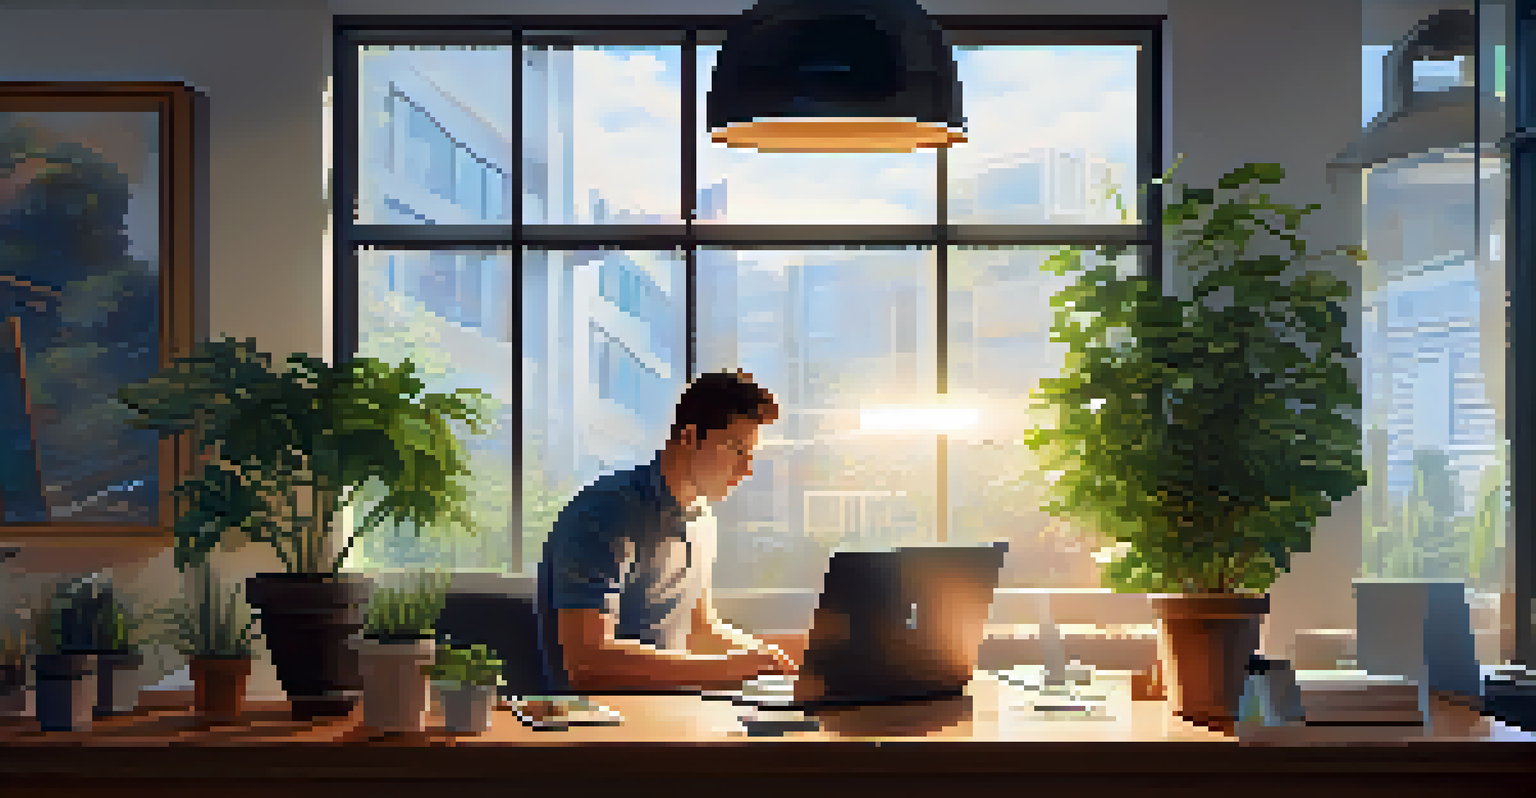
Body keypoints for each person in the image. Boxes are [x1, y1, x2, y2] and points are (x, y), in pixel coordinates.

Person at [535, 370, 801, 693]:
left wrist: (771, 657)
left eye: (751, 456)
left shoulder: (702, 517)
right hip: (599, 724)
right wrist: (736, 668)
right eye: (736, 450)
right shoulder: (604, 513)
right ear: (689, 437)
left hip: (673, 708)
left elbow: (699, 628)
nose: (746, 470)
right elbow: (588, 664)